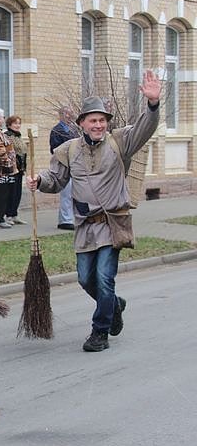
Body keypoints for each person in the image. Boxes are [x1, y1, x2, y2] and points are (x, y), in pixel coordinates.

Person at [27, 69, 161, 353]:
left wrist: (152, 104)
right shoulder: (67, 150)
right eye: (93, 120)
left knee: (103, 277)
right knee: (85, 279)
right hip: (85, 227)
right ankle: (114, 304)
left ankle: (100, 331)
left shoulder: (120, 142)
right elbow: (56, 179)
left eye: (102, 120)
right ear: (82, 124)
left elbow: (145, 128)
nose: (98, 125)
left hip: (113, 223)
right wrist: (39, 180)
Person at [50, 106, 80, 230]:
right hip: (64, 165)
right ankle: (65, 220)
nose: (69, 116)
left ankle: (75, 218)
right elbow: (54, 149)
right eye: (67, 113)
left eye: (71, 113)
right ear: (61, 115)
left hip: (75, 165)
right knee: (66, 193)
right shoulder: (56, 130)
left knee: (76, 193)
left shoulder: (74, 129)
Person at [4, 115, 27, 225]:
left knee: (18, 192)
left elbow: (23, 152)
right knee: (11, 192)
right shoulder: (7, 136)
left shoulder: (19, 137)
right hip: (12, 169)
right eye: (15, 123)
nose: (18, 125)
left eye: (19, 123)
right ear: (9, 125)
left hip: (20, 168)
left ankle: (14, 214)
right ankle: (8, 215)